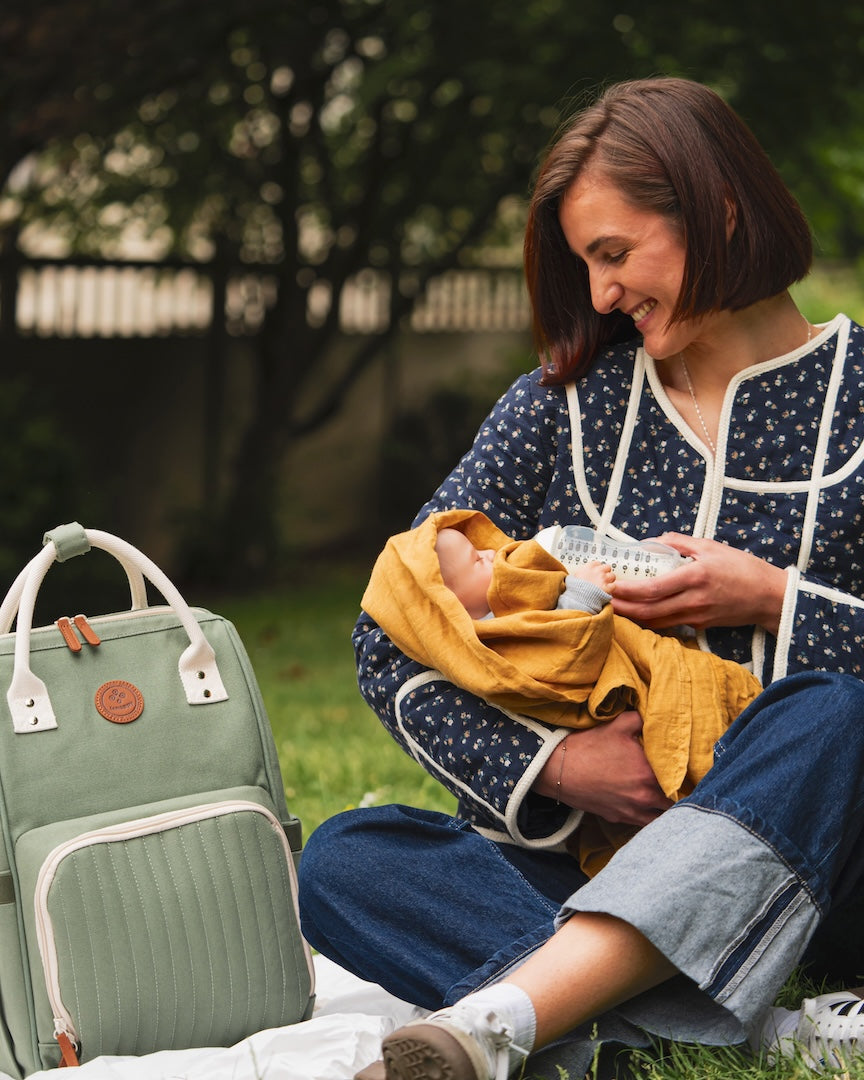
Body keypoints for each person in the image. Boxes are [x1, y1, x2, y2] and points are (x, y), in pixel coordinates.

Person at [297, 75, 864, 1080]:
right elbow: (393, 632)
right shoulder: (557, 409)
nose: (601, 293)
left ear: (719, 212)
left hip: (824, 866)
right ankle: (741, 1032)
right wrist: (556, 771)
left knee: (834, 718)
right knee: (345, 861)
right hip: (581, 850)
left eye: (615, 253)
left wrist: (775, 600)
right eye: (585, 264)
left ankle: (519, 1015)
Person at [362, 507, 762, 875]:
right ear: (447, 604)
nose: (489, 554)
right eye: (475, 560)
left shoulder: (499, 610)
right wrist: (581, 597)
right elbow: (556, 661)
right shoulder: (485, 641)